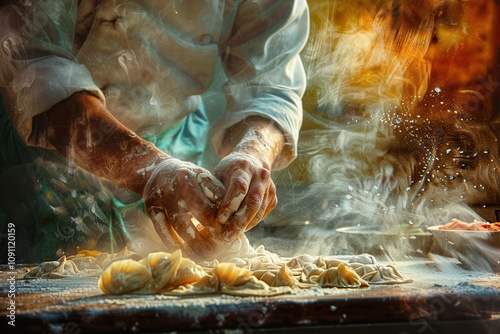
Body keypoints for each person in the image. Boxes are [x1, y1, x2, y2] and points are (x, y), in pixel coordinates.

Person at [0, 1, 309, 263]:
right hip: (45, 149)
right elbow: (37, 68)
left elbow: (271, 83)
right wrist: (152, 168)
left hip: (177, 142)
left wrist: (253, 151)